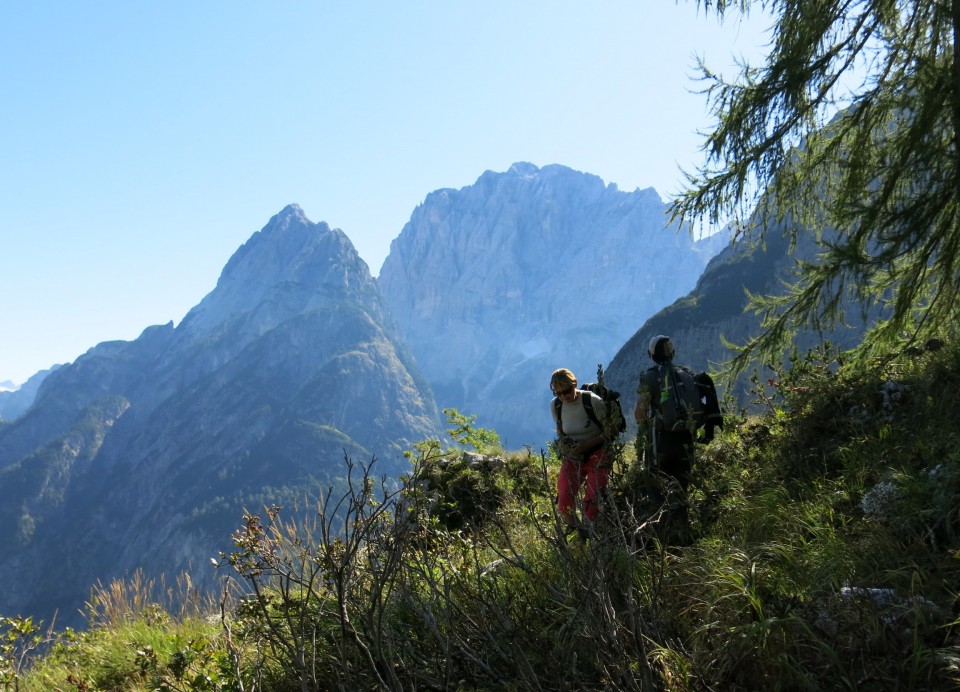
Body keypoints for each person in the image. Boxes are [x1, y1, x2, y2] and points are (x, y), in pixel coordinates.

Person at [634, 335, 696, 537]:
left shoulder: (651, 376)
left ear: (650, 355)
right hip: (686, 438)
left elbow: (640, 412)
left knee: (657, 485)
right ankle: (683, 531)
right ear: (673, 353)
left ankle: (662, 536)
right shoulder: (685, 373)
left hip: (661, 440)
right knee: (681, 485)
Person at [550, 368, 611, 535]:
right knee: (564, 502)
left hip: (597, 453)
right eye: (558, 393)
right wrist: (564, 445)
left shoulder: (592, 401)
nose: (564, 397)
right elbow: (561, 431)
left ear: (574, 384)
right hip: (573, 457)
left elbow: (610, 431)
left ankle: (592, 535)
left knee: (591, 502)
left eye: (567, 391)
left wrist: (586, 445)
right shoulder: (556, 406)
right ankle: (580, 533)